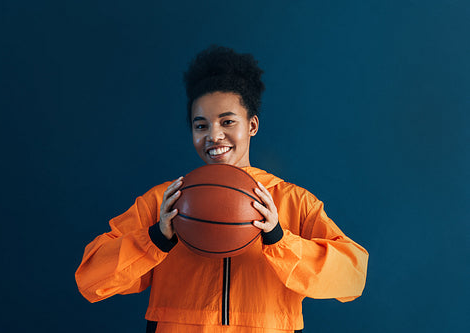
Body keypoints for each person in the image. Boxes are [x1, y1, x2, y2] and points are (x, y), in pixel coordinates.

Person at [75, 45, 368, 333]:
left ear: (252, 125)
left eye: (227, 121)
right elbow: (90, 278)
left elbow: (353, 277)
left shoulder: (292, 201)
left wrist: (280, 241)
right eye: (201, 126)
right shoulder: (165, 201)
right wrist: (155, 238)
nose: (214, 136)